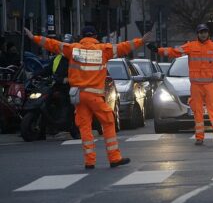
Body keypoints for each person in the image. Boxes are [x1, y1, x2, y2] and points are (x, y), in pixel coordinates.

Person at [24, 26, 152, 169]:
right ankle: (114, 158)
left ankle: (89, 161)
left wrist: (33, 37)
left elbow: (52, 44)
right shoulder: (103, 50)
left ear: (82, 37)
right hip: (95, 95)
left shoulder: (73, 49)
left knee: (84, 127)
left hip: (78, 95)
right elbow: (124, 47)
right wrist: (141, 41)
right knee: (108, 122)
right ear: (95, 36)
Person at [147, 23, 213, 145]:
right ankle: (199, 137)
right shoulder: (190, 46)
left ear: (208, 33)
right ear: (198, 34)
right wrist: (157, 50)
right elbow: (174, 52)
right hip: (196, 86)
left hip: (210, 85)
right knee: (198, 112)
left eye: (205, 32)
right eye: (201, 32)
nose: (203, 34)